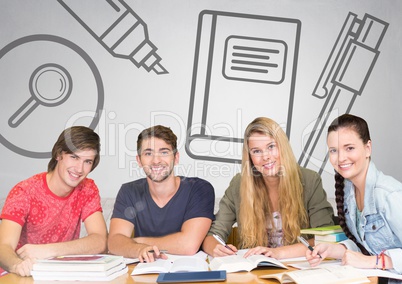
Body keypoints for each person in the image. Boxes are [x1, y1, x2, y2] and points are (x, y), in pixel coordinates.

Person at [202, 117, 334, 259]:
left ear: (282, 146)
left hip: (298, 268)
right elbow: (213, 235)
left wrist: (279, 253)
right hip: (255, 272)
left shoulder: (310, 180)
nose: (265, 157)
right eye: (256, 151)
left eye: (271, 147)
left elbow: (326, 238)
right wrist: (216, 248)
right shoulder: (239, 184)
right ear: (250, 156)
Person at [0, 126, 107, 277]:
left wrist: (49, 250)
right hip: (19, 274)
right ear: (59, 154)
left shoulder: (88, 188)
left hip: (58, 274)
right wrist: (18, 265)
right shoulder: (24, 191)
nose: (79, 168)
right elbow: (3, 247)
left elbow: (100, 241)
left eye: (87, 161)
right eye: (74, 157)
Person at [306, 114, 402, 274]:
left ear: (367, 148)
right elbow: (367, 246)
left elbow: (370, 258)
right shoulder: (349, 192)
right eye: (334, 150)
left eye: (349, 148)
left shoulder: (389, 195)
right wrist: (334, 250)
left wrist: (375, 261)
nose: (341, 158)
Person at [108, 125, 215, 263]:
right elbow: (115, 242)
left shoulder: (199, 189)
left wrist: (137, 242)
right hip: (146, 270)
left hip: (189, 272)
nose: (156, 160)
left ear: (176, 158)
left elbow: (189, 245)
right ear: (139, 160)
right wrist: (138, 249)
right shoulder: (129, 191)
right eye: (148, 153)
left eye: (164, 152)